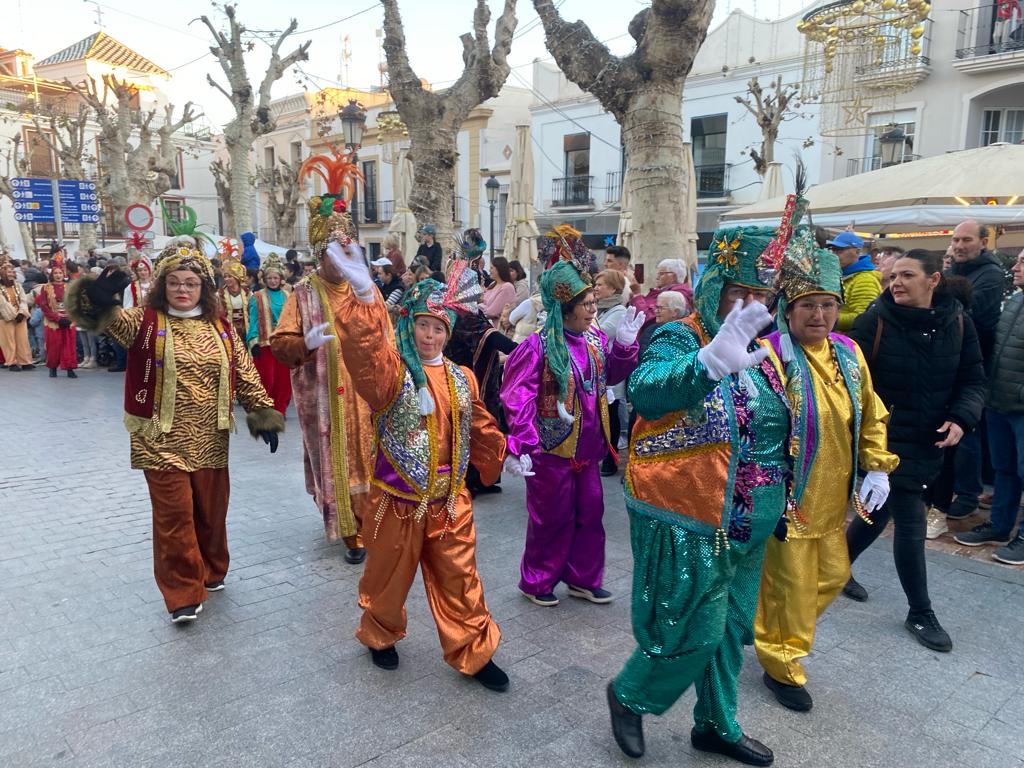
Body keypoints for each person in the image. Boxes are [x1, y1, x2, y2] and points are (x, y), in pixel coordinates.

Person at [607, 225, 789, 767]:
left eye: (762, 296)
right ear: (715, 288)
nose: (751, 306)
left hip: (753, 516)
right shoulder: (682, 336)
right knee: (697, 629)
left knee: (732, 630)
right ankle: (629, 694)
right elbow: (645, 390)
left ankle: (716, 723)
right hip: (695, 512)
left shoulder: (764, 349)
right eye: (740, 293)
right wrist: (707, 362)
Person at [327, 236, 511, 693]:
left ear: (447, 334)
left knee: (462, 579)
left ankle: (474, 650)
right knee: (388, 575)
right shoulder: (391, 372)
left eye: (438, 329)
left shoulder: (460, 375)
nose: (429, 336)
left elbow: (479, 423)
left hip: (450, 501)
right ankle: (379, 634)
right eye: (423, 327)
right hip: (398, 499)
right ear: (409, 327)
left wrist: (509, 452)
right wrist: (367, 296)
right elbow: (365, 354)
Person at [66, 238, 283, 623]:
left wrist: (263, 413)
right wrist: (96, 298)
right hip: (159, 438)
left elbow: (245, 373)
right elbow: (99, 319)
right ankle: (182, 592)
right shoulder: (143, 324)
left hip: (210, 437)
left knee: (211, 514)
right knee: (175, 517)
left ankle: (212, 570)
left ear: (204, 288)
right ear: (162, 286)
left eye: (191, 283)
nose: (183, 289)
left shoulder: (221, 329)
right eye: (175, 282)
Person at [753, 205, 898, 712]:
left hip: (834, 494)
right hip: (788, 497)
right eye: (809, 305)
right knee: (791, 584)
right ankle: (782, 663)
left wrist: (877, 463)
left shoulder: (849, 352)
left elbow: (872, 410)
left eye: (828, 305)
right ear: (788, 309)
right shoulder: (768, 355)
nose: (820, 315)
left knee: (834, 576)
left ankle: (765, 624)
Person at [843, 249, 985, 652]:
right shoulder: (876, 320)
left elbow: (974, 379)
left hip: (930, 438)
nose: (897, 283)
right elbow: (848, 374)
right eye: (893, 276)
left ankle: (834, 570)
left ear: (933, 280)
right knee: (909, 517)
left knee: (879, 510)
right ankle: (920, 612)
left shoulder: (958, 322)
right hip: (884, 439)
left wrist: (961, 417)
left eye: (907, 275)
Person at [501, 257, 641, 608]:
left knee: (591, 514)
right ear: (565, 309)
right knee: (551, 518)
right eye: (587, 304)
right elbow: (516, 395)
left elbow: (609, 376)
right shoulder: (538, 346)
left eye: (594, 302)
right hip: (551, 450)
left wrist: (624, 347)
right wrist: (522, 443)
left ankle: (583, 578)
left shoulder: (593, 341)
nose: (593, 310)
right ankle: (537, 579)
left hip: (589, 448)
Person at [271, 189, 379, 565]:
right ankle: (350, 530)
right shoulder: (302, 294)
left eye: (346, 250)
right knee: (338, 458)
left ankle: (373, 523)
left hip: (367, 393)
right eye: (333, 251)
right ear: (320, 255)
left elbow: (388, 337)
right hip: (325, 397)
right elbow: (280, 343)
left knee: (370, 455)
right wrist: (305, 343)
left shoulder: (366, 289)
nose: (341, 259)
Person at [955, 249, 1024, 565]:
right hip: (998, 401)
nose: (1017, 267)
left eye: (1023, 262)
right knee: (1004, 469)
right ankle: (998, 526)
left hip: (1020, 406)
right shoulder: (1014, 301)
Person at [944, 219, 1006, 521]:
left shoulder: (991, 274)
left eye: (966, 240)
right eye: (955, 240)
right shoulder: (954, 270)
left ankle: (968, 493)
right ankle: (950, 488)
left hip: (973, 361)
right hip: (947, 359)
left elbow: (965, 311)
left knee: (966, 428)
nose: (958, 246)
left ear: (984, 241)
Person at [246, 254, 292, 415]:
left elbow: (294, 319)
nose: (273, 280)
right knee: (267, 379)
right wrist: (253, 341)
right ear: (264, 279)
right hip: (265, 344)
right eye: (270, 278)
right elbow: (253, 321)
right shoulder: (257, 297)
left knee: (284, 382)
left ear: (281, 279)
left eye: (276, 277)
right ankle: (266, 408)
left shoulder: (288, 296)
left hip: (284, 344)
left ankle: (280, 410)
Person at [593, 269, 628, 477]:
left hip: (610, 372)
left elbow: (600, 334)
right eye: (595, 284)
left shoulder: (619, 312)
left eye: (600, 284)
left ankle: (610, 458)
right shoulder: (599, 309)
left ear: (614, 288)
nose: (596, 288)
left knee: (611, 414)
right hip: (595, 370)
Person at [831, 231, 881, 331]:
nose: (835, 255)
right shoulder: (842, 275)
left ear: (857, 252)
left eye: (840, 250)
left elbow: (864, 317)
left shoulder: (865, 280)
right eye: (833, 250)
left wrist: (829, 318)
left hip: (853, 343)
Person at [36, 263, 78, 378]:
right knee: (54, 345)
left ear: (63, 274)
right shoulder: (46, 288)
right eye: (55, 273)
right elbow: (44, 306)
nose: (58, 275)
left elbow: (74, 303)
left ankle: (70, 369)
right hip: (53, 321)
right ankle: (53, 367)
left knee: (69, 345)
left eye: (60, 273)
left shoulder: (69, 287)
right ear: (51, 274)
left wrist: (70, 318)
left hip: (68, 320)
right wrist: (57, 318)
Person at [629, 258, 691, 331]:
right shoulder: (660, 291)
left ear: (673, 276)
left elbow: (648, 317)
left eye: (661, 274)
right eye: (657, 274)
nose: (657, 277)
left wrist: (637, 295)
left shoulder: (677, 295)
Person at [0, 257, 34, 371]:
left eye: (12, 271)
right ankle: (11, 362)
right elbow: (2, 303)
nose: (11, 274)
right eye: (8, 272)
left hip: (20, 316)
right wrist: (13, 314)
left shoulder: (18, 285)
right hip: (5, 317)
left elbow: (23, 299)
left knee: (23, 339)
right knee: (8, 340)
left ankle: (25, 361)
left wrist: (22, 312)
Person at [220, 256, 251, 341]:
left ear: (236, 277)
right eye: (225, 277)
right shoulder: (220, 294)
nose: (226, 279)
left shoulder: (247, 293)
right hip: (228, 330)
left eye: (230, 276)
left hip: (245, 330)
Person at [481, 256, 516, 324]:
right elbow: (483, 301)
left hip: (498, 328)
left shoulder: (507, 287)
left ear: (499, 269)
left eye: (491, 268)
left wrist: (479, 306)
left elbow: (492, 312)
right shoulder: (493, 284)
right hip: (488, 325)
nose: (489, 270)